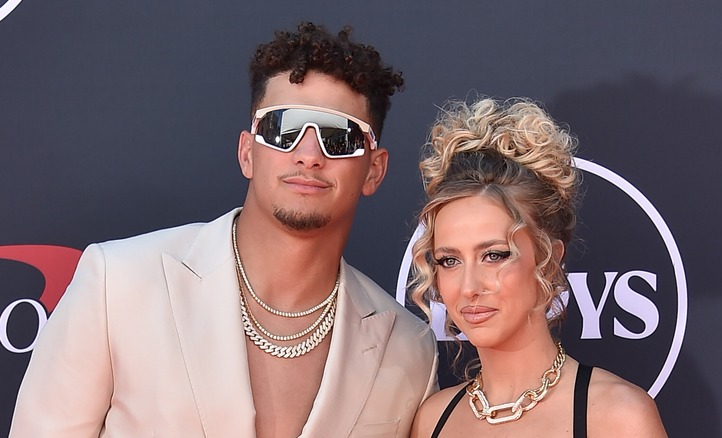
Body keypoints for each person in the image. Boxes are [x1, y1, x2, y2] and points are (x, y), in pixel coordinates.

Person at [11, 22, 438, 438]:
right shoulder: (117, 283)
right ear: (248, 153)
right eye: (282, 129)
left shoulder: (408, 349)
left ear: (374, 170)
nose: (309, 154)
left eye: (339, 138)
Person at [408, 98, 667, 437]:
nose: (469, 286)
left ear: (548, 259)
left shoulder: (618, 417)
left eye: (495, 255)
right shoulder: (432, 420)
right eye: (450, 260)